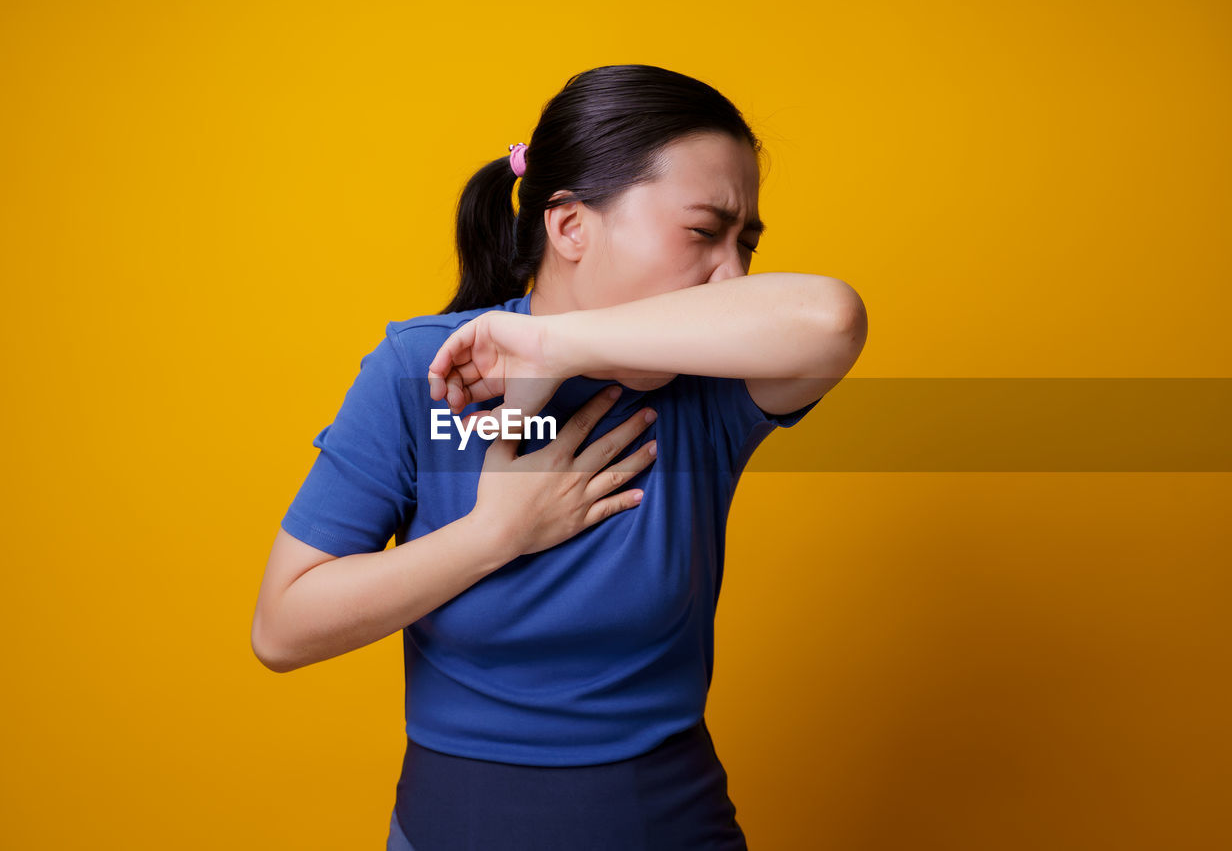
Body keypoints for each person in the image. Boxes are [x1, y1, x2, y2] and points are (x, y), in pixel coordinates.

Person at [251, 64, 867, 850]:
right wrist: (494, 533)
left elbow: (832, 317)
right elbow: (282, 626)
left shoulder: (710, 387)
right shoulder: (425, 371)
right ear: (570, 226)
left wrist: (557, 343)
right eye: (704, 232)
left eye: (745, 242)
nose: (733, 273)